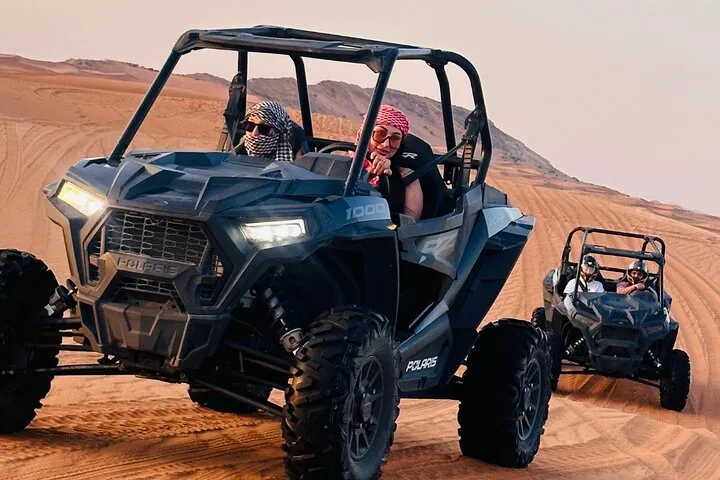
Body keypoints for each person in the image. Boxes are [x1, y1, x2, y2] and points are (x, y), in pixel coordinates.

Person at [352, 104, 424, 220]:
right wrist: (369, 174)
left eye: (395, 139)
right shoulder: (345, 164)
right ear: (365, 135)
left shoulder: (406, 175)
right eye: (380, 134)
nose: (386, 144)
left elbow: (411, 222)